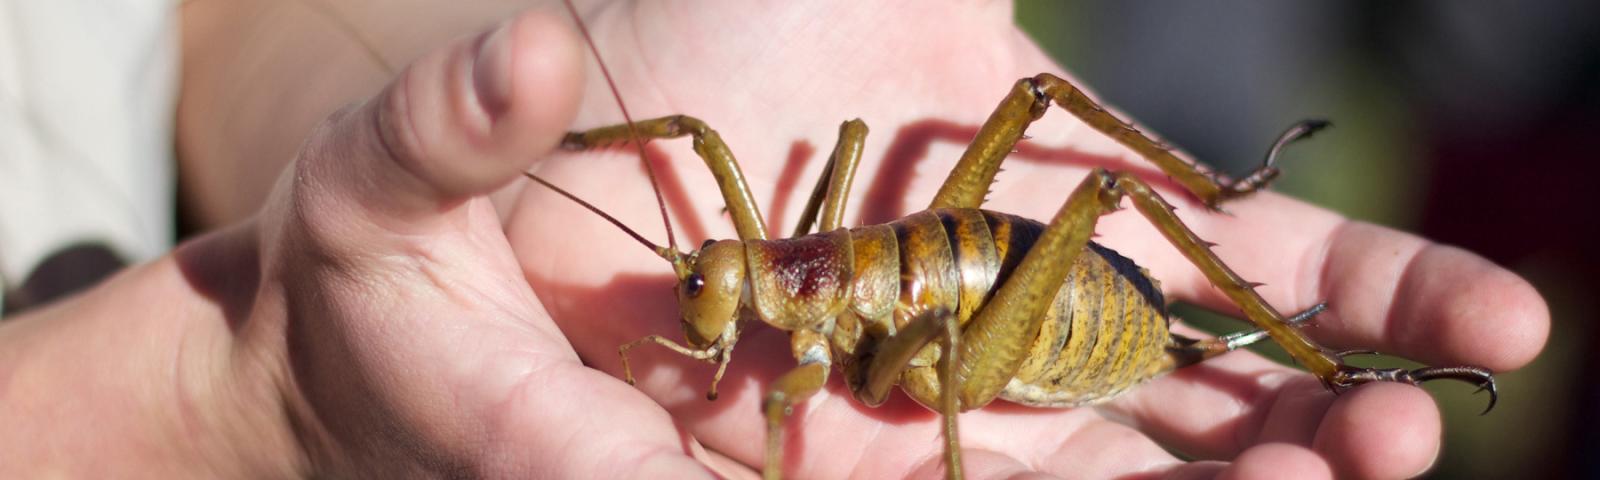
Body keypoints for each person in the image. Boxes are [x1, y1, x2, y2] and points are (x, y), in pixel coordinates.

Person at [0, 1, 1549, 478]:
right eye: (711, 277)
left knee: (1090, 207)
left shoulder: (791, 316)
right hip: (932, 292)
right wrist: (226, 398)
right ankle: (1280, 339)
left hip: (1012, 313)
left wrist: (477, 137)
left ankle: (1265, 303)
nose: (704, 289)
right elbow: (683, 168)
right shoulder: (756, 280)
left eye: (714, 278)